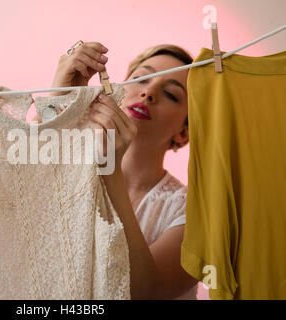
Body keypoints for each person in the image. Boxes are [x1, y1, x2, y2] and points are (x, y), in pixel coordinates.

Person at [33, 41, 198, 299]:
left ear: (184, 132)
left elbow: (145, 291)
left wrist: (111, 170)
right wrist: (57, 98)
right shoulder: (72, 172)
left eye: (171, 95)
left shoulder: (193, 212)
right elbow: (18, 190)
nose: (149, 93)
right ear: (117, 89)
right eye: (142, 79)